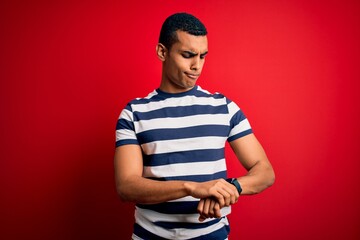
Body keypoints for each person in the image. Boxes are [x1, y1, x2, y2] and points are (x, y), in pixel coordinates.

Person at [114, 12, 275, 240]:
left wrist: (228, 188)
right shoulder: (133, 113)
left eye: (202, 56)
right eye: (188, 55)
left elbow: (265, 172)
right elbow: (126, 186)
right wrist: (192, 188)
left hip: (213, 235)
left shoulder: (224, 107)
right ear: (162, 52)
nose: (196, 66)